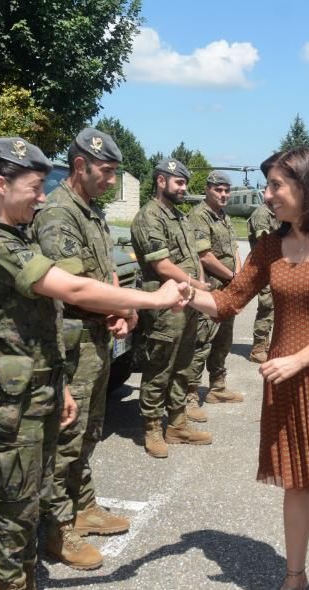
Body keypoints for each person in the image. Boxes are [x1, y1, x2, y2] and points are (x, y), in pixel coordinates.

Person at [0, 137, 186, 590]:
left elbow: (44, 325)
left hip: (39, 386)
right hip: (12, 400)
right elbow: (75, 291)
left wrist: (60, 384)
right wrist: (151, 298)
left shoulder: (14, 235)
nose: (41, 198)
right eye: (34, 187)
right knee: (13, 505)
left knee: (33, 492)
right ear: (1, 184)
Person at [187, 148, 309, 590]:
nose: (266, 195)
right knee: (293, 482)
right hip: (285, 382)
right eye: (267, 185)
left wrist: (296, 359)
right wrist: (183, 293)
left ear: (306, 188)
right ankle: (294, 579)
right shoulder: (269, 246)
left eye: (275, 186)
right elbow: (227, 302)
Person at [33, 128, 132, 572]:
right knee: (66, 437)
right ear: (80, 165)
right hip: (70, 341)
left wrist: (118, 307)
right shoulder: (57, 214)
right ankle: (57, 530)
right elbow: (73, 287)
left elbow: (104, 272)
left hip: (96, 336)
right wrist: (121, 306)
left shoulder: (90, 211)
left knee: (90, 429)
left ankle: (84, 504)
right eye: (106, 172)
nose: (111, 181)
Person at [131, 158, 213, 458]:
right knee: (160, 365)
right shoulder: (148, 217)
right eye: (179, 182)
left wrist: (198, 285)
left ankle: (177, 423)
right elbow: (161, 264)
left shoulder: (179, 217)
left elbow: (194, 256)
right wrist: (197, 284)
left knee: (183, 364)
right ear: (161, 181)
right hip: (165, 305)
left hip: (188, 301)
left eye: (185, 182)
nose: (184, 188)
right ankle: (152, 425)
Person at [184, 169, 245, 418]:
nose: (223, 194)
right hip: (210, 290)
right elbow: (204, 255)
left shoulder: (223, 216)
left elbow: (233, 249)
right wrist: (232, 277)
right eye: (218, 189)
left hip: (227, 289)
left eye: (226, 190)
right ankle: (189, 395)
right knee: (202, 341)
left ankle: (217, 386)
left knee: (224, 339)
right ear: (208, 190)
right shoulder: (200, 216)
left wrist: (238, 274)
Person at [245, 198, 280, 363]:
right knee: (267, 307)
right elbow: (264, 239)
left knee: (273, 308)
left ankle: (265, 344)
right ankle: (258, 348)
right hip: (263, 267)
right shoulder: (262, 213)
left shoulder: (277, 213)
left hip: (276, 267)